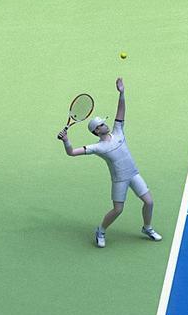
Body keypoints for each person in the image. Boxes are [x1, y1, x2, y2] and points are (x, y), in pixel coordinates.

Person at [57, 79, 162, 247]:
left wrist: (121, 93)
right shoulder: (97, 147)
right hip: (120, 180)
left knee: (149, 201)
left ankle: (147, 228)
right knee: (118, 210)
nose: (106, 124)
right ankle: (101, 230)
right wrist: (66, 140)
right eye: (102, 124)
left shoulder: (118, 132)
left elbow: (121, 112)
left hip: (134, 174)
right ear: (97, 130)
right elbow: (71, 153)